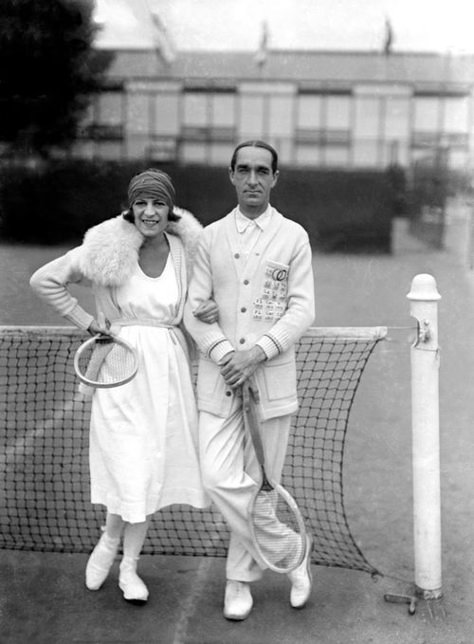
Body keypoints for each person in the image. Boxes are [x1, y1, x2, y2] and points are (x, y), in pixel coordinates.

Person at [30, 168, 216, 604]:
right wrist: (89, 324)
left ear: (171, 209)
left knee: (149, 468)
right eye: (142, 203)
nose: (150, 212)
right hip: (119, 367)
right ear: (130, 208)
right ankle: (108, 544)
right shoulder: (105, 247)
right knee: (127, 463)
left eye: (158, 203)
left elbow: (208, 301)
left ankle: (127, 562)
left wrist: (208, 312)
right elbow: (45, 279)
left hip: (168, 370)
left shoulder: (189, 250)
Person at [183, 140, 315, 620]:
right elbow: (193, 312)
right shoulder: (210, 238)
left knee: (262, 483)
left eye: (263, 171)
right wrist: (226, 356)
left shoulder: (293, 236)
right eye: (245, 170)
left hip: (271, 381)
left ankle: (238, 582)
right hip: (220, 383)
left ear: (275, 178)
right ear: (232, 175)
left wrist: (256, 353)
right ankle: (291, 550)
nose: (253, 179)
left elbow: (302, 308)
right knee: (218, 477)